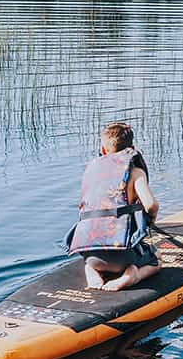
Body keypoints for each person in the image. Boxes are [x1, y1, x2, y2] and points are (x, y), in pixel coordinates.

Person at [66, 121, 161, 292]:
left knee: (90, 262)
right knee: (157, 259)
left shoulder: (91, 171)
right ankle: (132, 275)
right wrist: (151, 219)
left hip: (91, 253)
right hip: (122, 256)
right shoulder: (135, 172)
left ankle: (93, 272)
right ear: (131, 148)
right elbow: (151, 204)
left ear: (103, 150)